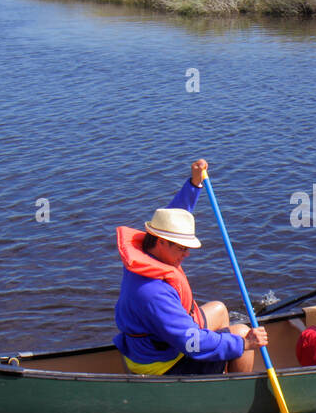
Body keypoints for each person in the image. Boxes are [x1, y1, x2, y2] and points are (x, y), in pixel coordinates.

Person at [114, 159, 268, 375]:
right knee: (242, 335)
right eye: (182, 248)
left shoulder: (146, 250)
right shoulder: (152, 293)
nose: (187, 254)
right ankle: (233, 397)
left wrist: (194, 185)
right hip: (162, 365)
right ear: (161, 241)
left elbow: (175, 215)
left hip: (157, 344)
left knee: (220, 309)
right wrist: (243, 344)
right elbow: (190, 342)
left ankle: (219, 374)